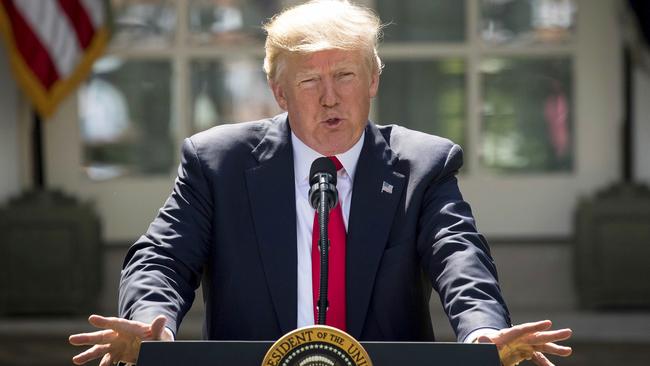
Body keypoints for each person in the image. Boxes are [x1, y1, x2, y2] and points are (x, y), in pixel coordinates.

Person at [69, 1, 573, 365]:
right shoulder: (217, 162)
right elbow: (162, 257)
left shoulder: (424, 164)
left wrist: (482, 331)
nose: (330, 98)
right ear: (279, 91)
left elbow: (460, 257)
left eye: (346, 76)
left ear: (373, 81)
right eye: (310, 81)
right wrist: (153, 320)